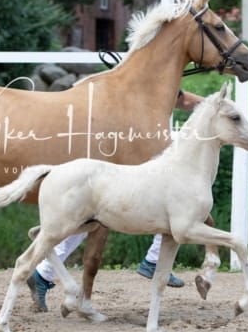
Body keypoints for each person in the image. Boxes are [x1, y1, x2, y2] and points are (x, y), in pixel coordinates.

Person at [27, 89, 204, 312]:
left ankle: (44, 273)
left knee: (87, 219)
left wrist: (211, 104)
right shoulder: (141, 84)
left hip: (130, 148)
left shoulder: (156, 80)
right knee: (92, 216)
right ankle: (47, 274)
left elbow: (179, 98)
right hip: (121, 150)